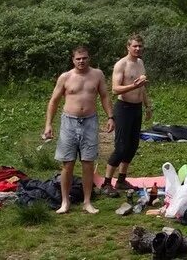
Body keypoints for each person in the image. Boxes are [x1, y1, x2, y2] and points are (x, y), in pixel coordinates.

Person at [42, 45, 114, 214]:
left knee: (88, 162)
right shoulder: (65, 77)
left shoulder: (97, 75)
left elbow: (104, 96)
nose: (82, 61)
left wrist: (111, 117)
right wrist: (48, 124)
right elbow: (54, 101)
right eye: (78, 59)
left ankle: (87, 201)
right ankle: (65, 201)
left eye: (85, 58)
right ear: (73, 60)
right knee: (67, 163)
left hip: (90, 121)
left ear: (89, 58)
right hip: (69, 122)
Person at [102, 33, 152, 195]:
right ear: (128, 47)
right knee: (121, 147)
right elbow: (115, 89)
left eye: (140, 46)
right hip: (123, 108)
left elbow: (142, 87)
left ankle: (122, 179)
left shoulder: (141, 63)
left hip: (137, 108)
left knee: (132, 146)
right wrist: (133, 85)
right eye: (134, 46)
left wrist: (148, 106)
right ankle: (107, 183)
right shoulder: (121, 65)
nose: (138, 49)